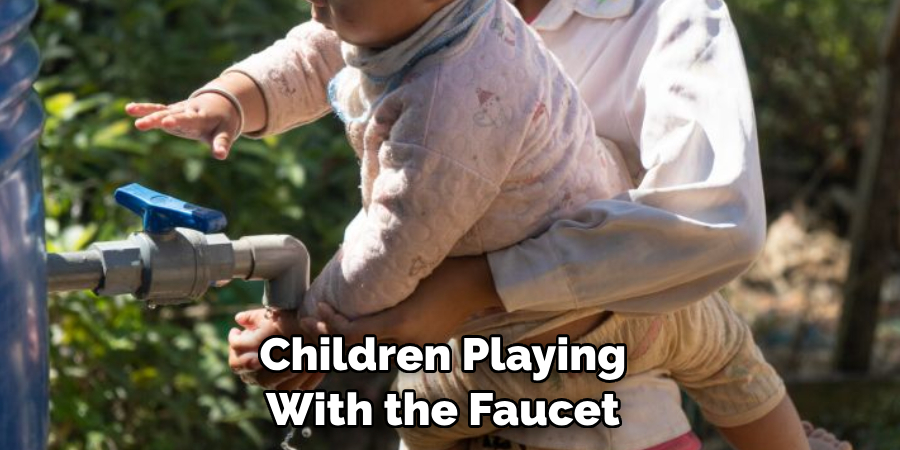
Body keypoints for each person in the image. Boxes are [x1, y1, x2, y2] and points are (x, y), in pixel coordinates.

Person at [127, 0, 849, 448]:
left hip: (590, 327)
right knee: (727, 355)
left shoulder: (456, 91)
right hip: (481, 334)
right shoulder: (418, 13)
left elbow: (393, 241)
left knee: (424, 394)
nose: (321, 8)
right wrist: (234, 96)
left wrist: (316, 331)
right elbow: (315, 49)